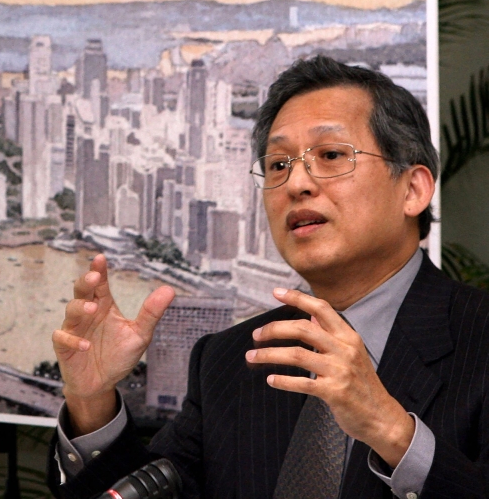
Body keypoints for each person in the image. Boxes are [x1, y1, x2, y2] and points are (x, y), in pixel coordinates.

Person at [48, 55, 489, 499]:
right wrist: (91, 401)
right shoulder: (233, 360)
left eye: (332, 155)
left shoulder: (480, 340)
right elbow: (159, 489)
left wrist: (393, 433)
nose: (297, 183)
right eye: (278, 165)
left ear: (413, 189)